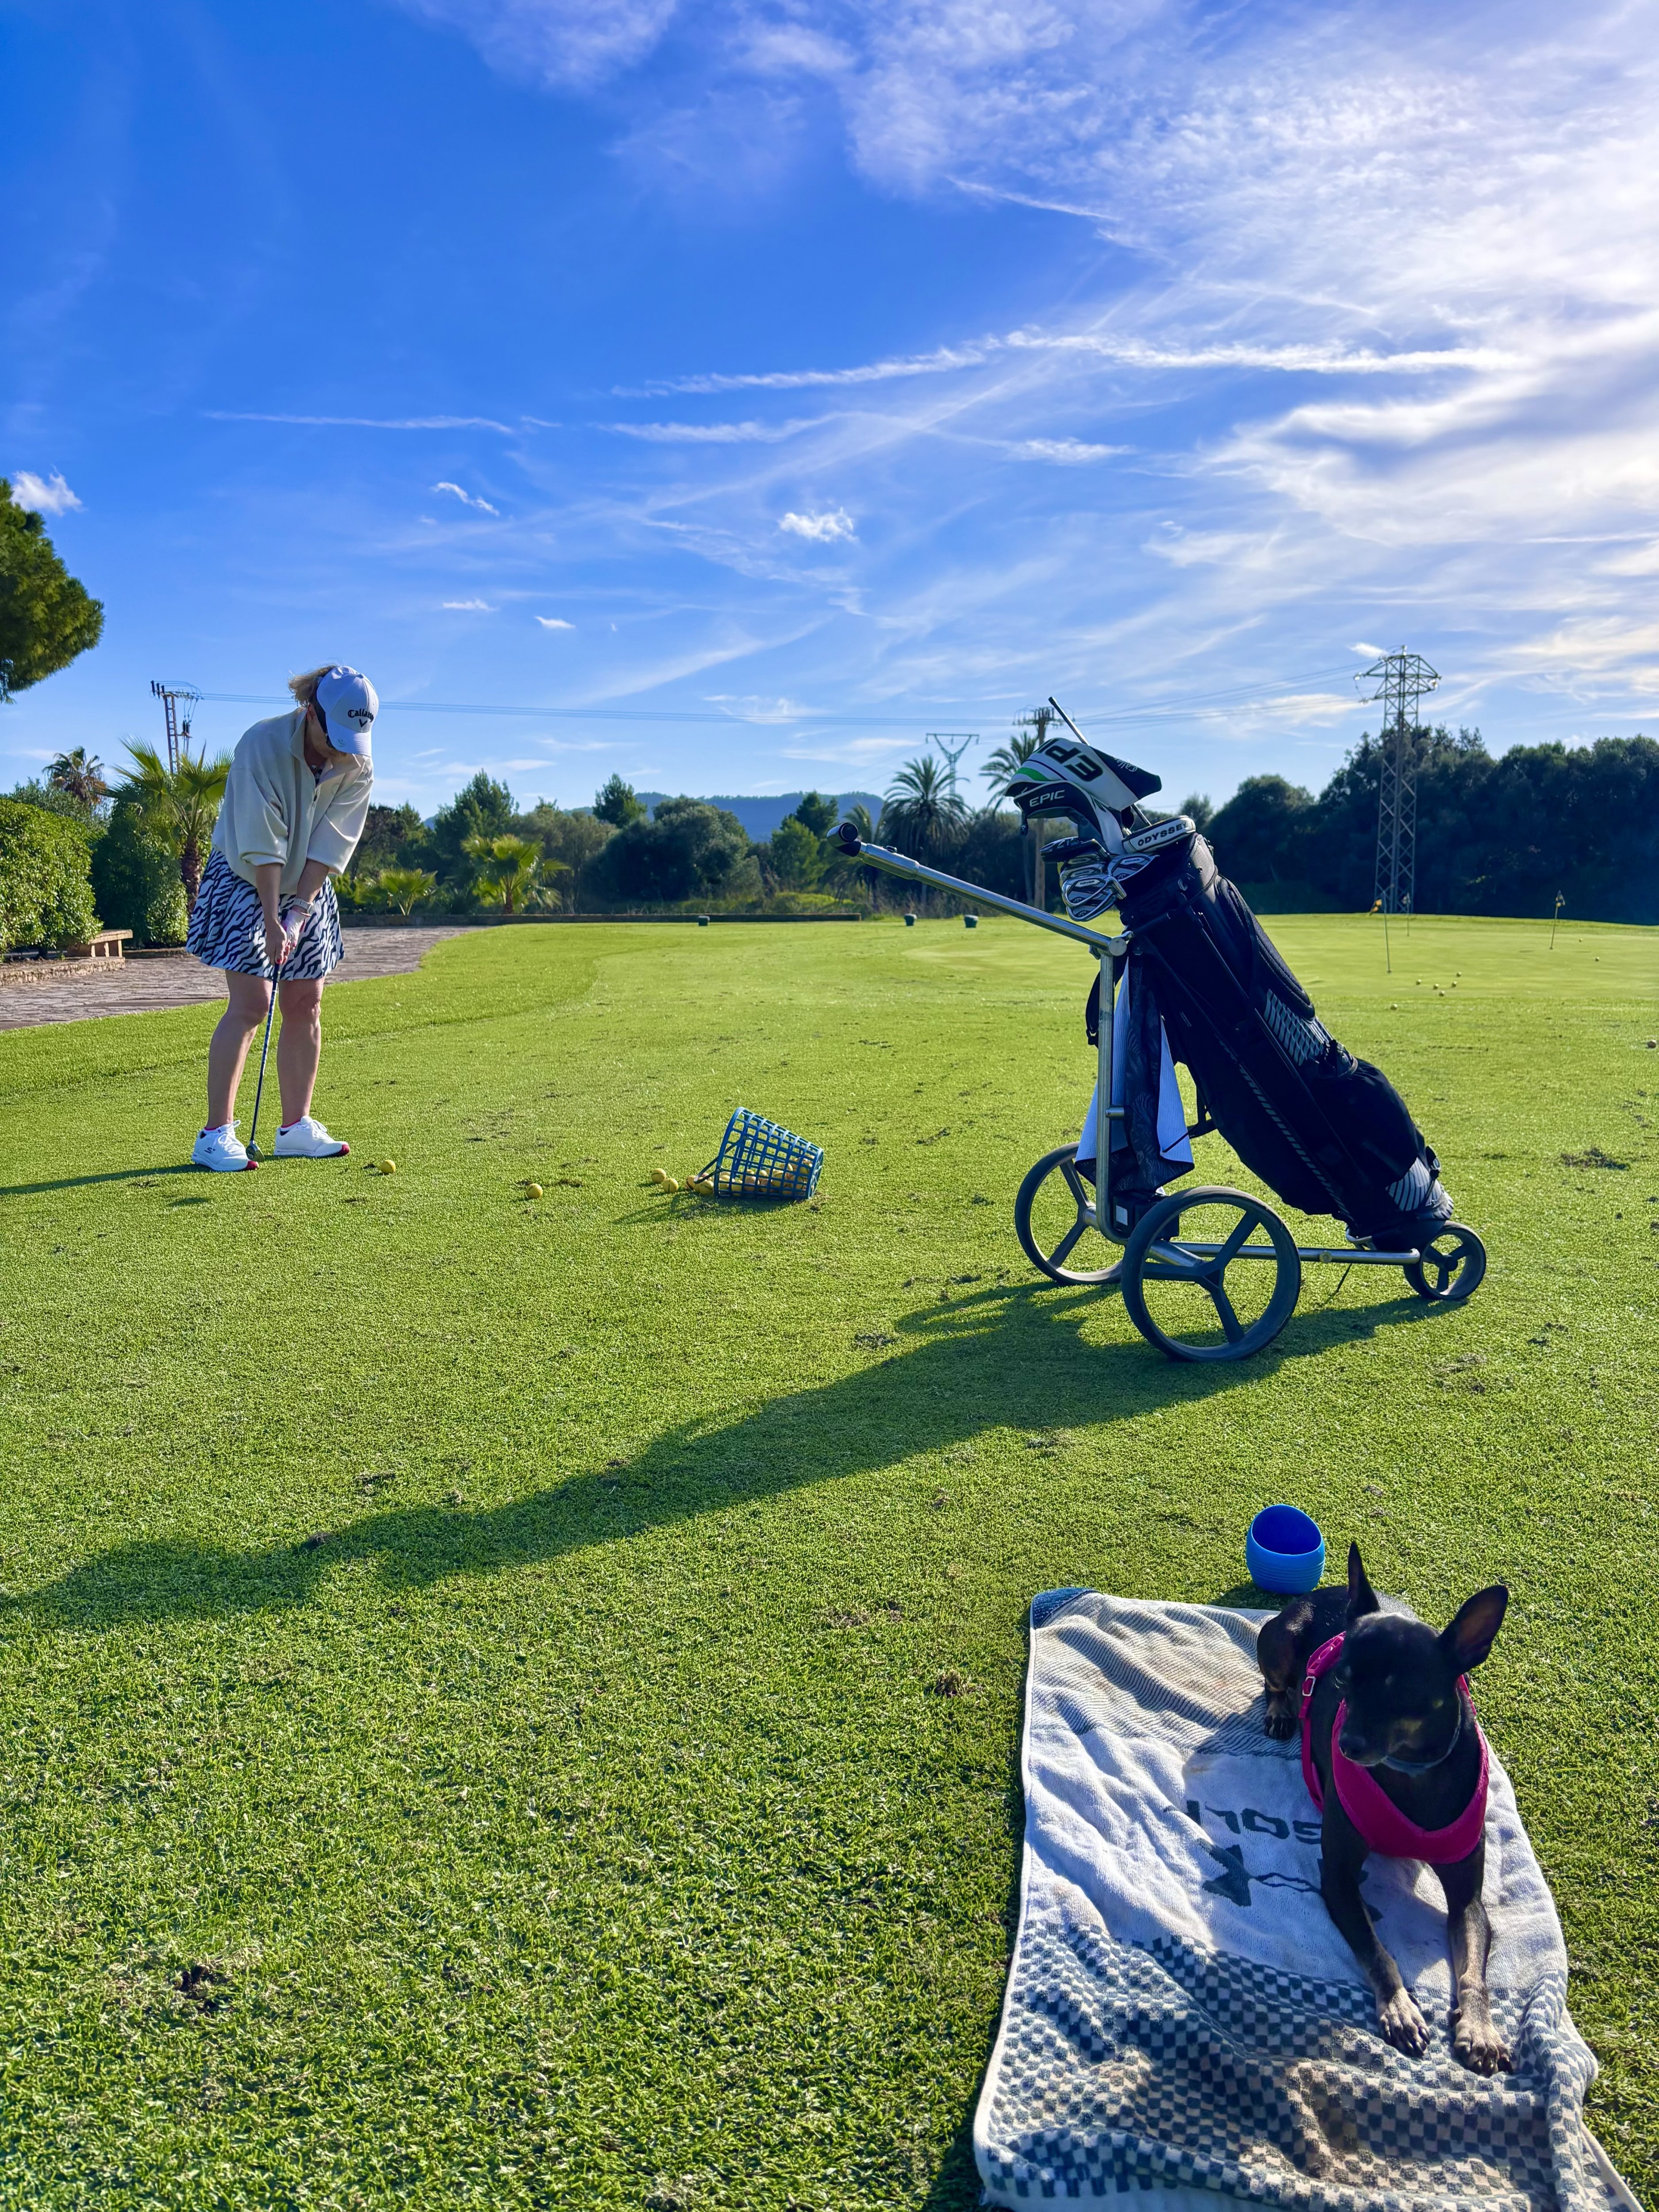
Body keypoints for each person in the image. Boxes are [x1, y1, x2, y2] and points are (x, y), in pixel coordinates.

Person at [188, 665, 377, 1171]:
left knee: (306, 1001)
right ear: (311, 711)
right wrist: (273, 918)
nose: (340, 751)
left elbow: (331, 844)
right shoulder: (262, 744)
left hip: (307, 886)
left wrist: (299, 912)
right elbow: (263, 842)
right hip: (246, 874)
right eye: (333, 737)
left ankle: (295, 1128)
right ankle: (214, 1135)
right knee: (253, 1002)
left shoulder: (358, 761)